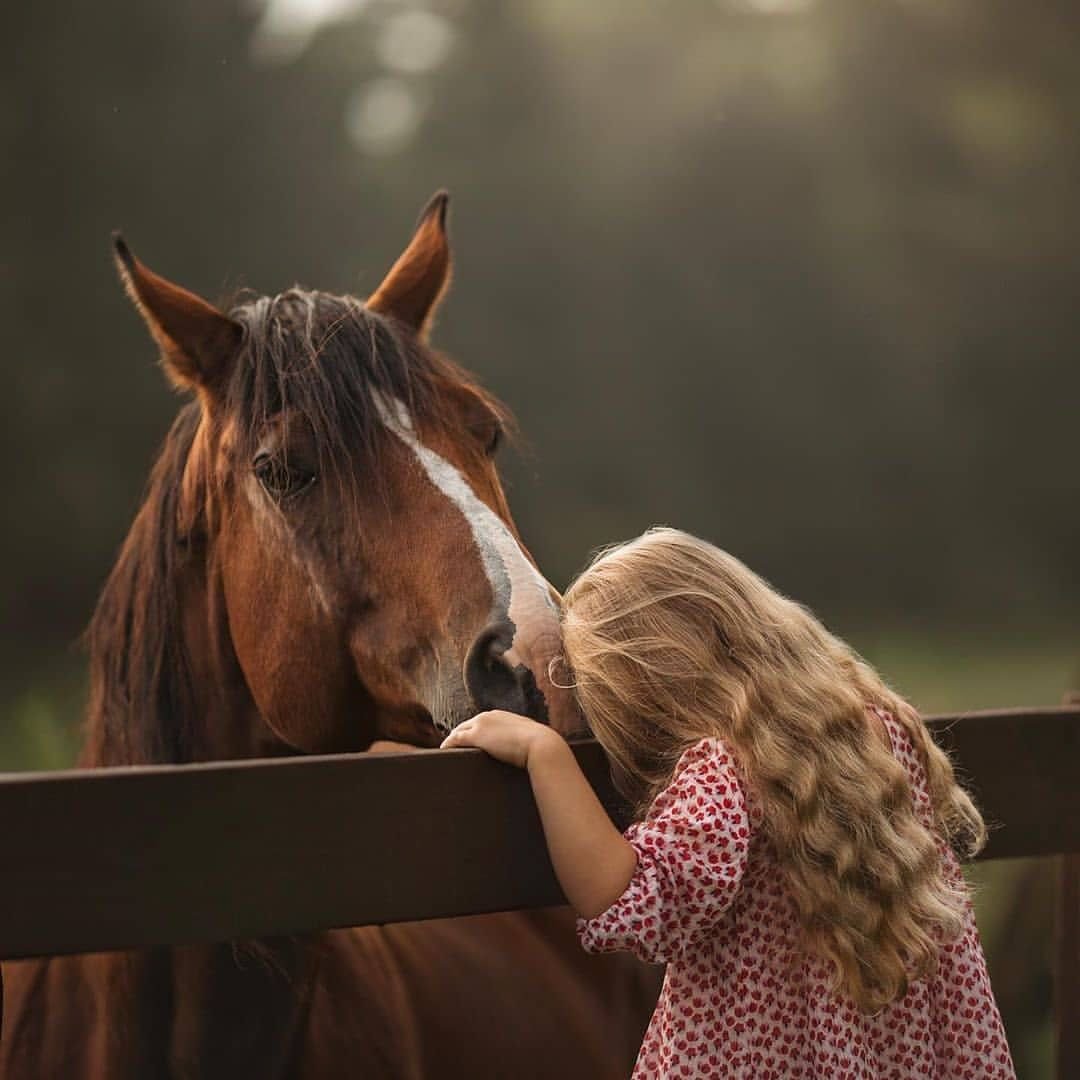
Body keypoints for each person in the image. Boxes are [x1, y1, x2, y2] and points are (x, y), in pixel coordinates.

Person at [441, 528, 1015, 1079]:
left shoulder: (725, 775)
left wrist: (548, 756)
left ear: (645, 689)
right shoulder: (880, 730)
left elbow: (633, 902)